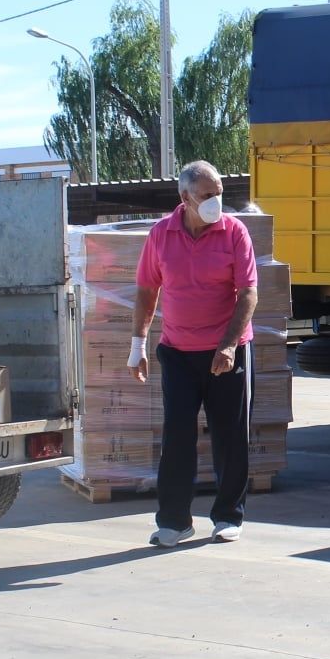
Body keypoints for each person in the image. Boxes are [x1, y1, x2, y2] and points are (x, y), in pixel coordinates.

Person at [129, 161, 259, 547]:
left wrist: (229, 344)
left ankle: (228, 516)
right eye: (207, 195)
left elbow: (248, 293)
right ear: (185, 198)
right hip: (178, 353)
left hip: (227, 352)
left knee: (229, 436)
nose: (216, 201)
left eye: (219, 194)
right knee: (177, 436)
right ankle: (174, 522)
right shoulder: (161, 235)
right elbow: (146, 291)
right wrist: (137, 346)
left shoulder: (234, 232)